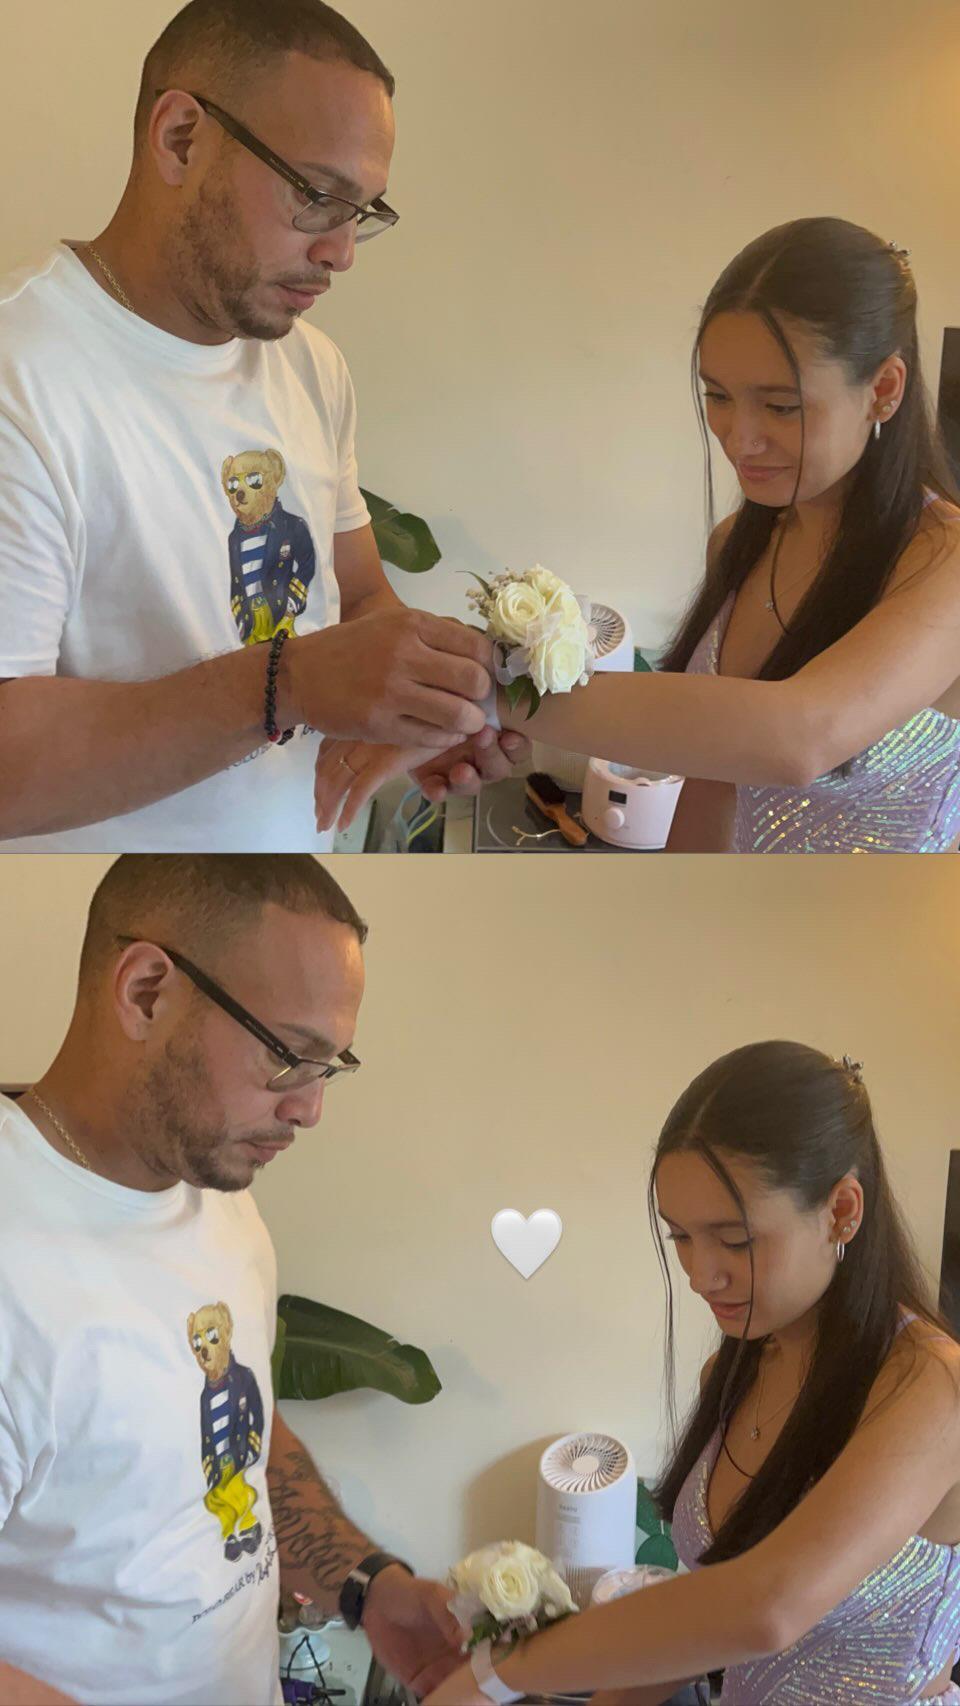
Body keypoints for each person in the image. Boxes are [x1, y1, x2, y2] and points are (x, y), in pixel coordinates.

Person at [0, 0, 524, 853]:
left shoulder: (311, 366)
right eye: (318, 196)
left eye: (364, 211)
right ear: (179, 138)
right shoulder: (20, 375)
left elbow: (355, 597)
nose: (341, 252)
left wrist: (420, 704)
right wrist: (286, 685)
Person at [315, 216, 960, 853]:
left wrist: (482, 696)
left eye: (781, 405)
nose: (739, 438)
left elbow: (799, 738)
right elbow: (713, 785)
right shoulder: (742, 542)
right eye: (718, 396)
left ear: (883, 389)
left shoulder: (942, 559)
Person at [0, 855, 465, 1705]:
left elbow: (233, 1442)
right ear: (145, 992)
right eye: (290, 1055)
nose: (310, 1108)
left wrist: (369, 1587)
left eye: (331, 1065)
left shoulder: (215, 1197)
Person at [425, 1041, 960, 1704]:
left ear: (842, 1211)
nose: (700, 1274)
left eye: (735, 1239)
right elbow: (704, 1619)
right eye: (679, 1235)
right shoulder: (731, 1374)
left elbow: (767, 1608)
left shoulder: (930, 1384)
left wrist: (499, 1676)